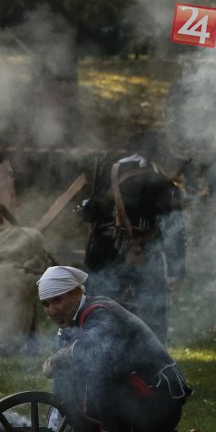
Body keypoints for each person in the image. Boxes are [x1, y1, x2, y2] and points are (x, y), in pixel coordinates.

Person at [37, 265, 190, 432]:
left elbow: (96, 346)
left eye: (57, 300)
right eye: (46, 304)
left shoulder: (100, 310)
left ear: (76, 292)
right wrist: (59, 419)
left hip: (157, 395)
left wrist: (57, 359)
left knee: (99, 384)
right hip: (132, 395)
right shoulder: (69, 323)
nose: (52, 311)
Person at [79, 130, 186, 343]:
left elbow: (89, 213)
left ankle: (98, 355)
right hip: (147, 252)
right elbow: (173, 226)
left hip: (106, 251)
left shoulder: (110, 170)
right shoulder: (160, 178)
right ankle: (152, 357)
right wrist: (177, 270)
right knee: (151, 317)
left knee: (102, 312)